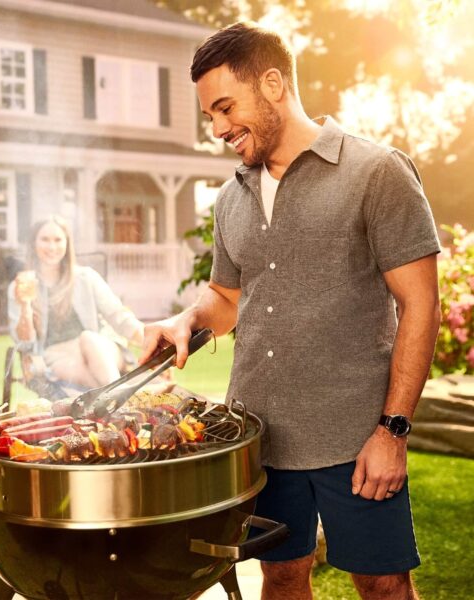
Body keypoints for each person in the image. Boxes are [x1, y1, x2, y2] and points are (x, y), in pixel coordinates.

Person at [140, 22, 441, 600]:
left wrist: (393, 430)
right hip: (258, 439)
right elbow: (226, 300)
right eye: (210, 116)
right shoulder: (233, 195)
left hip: (355, 436)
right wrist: (186, 321)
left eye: (226, 108)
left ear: (273, 84)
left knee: (381, 584)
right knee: (280, 576)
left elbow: (420, 304)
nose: (218, 129)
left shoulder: (377, 173)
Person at [8, 215, 144, 390]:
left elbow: (119, 316)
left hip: (100, 350)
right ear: (34, 243)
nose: (52, 247)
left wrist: (151, 342)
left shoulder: (86, 277)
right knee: (69, 363)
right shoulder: (19, 287)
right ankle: (123, 397)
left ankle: (118, 396)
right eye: (45, 239)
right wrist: (25, 304)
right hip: (58, 356)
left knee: (88, 338)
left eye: (58, 239)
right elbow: (24, 343)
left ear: (67, 243)